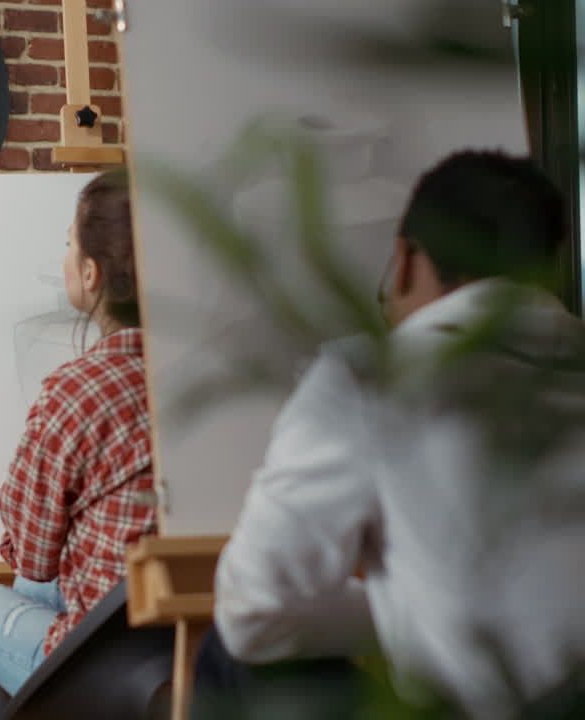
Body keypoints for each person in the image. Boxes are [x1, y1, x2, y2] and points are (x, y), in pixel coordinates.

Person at [199, 151, 585, 718]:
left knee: (224, 655)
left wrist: (396, 612)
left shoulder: (369, 378)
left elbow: (251, 612)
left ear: (404, 262)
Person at [0, 170, 158, 719]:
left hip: (108, 665)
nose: (64, 257)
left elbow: (34, 559)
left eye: (68, 243)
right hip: (203, 647)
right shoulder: (221, 378)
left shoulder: (77, 390)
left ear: (91, 272)